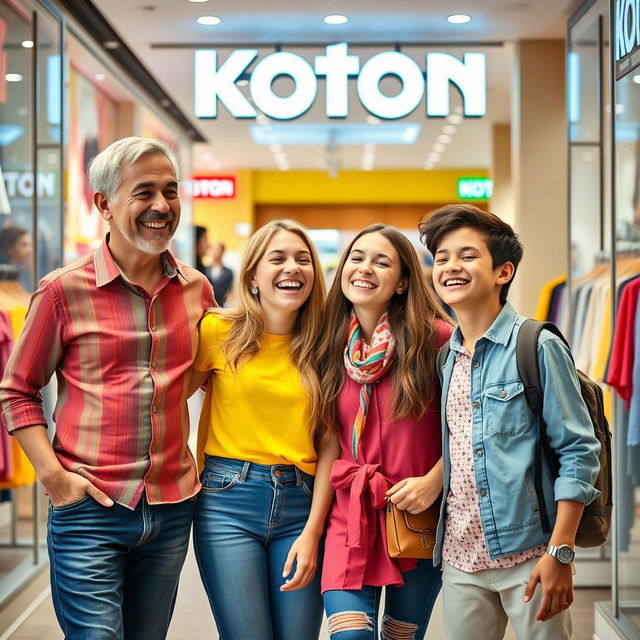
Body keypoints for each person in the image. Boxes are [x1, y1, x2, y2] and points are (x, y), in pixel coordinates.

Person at [0, 137, 215, 640]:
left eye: (171, 191)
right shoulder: (62, 290)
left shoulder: (197, 290)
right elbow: (17, 391)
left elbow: (203, 377)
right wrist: (53, 478)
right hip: (88, 507)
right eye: (143, 193)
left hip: (170, 506)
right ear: (104, 204)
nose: (162, 206)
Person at [419, 204, 601, 640]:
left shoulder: (535, 345)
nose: (450, 267)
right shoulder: (447, 358)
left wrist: (560, 553)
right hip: (461, 559)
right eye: (441, 258)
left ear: (503, 272)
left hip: (530, 554)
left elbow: (578, 452)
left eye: (466, 255)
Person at [189, 219, 335, 640]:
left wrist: (313, 531)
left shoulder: (325, 345)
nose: (293, 267)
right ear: (253, 275)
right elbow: (170, 401)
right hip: (227, 503)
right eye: (279, 258)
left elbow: (330, 444)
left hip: (301, 505)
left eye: (302, 259)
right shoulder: (218, 331)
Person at [319, 224, 451, 639]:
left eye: (382, 261)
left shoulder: (438, 340)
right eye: (357, 258)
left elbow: (474, 427)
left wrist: (435, 480)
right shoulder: (326, 344)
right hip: (349, 517)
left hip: (416, 520)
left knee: (400, 638)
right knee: (352, 635)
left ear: (403, 282)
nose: (365, 268)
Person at [0, 226, 33, 291]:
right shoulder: (5, 276)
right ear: (10, 249)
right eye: (24, 245)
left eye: (30, 244)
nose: (30, 250)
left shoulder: (25, 272)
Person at [210, 240, 234, 306]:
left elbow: (231, 292)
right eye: (213, 249)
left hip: (222, 306)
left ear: (223, 252)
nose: (215, 252)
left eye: (217, 250)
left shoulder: (228, 272)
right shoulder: (205, 269)